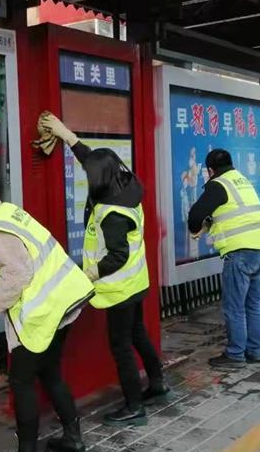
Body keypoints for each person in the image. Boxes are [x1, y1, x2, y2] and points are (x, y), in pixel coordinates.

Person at [0, 171, 94, 452]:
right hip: (63, 300)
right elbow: (0, 251)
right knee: (50, 372)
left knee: (21, 380)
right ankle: (73, 439)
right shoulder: (4, 213)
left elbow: (17, 274)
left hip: (45, 309)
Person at [39, 113, 168, 425]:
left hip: (120, 287)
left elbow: (117, 256)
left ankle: (134, 406)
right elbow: (91, 159)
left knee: (121, 346)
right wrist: (66, 135)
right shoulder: (127, 184)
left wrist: (89, 273)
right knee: (138, 333)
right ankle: (157, 383)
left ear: (100, 178)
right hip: (137, 281)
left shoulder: (112, 214)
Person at [187, 149, 260, 370]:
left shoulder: (218, 184)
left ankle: (235, 354)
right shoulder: (242, 180)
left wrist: (198, 228)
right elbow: (235, 212)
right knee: (253, 304)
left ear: (210, 170)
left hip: (240, 253)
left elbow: (195, 216)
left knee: (234, 307)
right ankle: (255, 351)